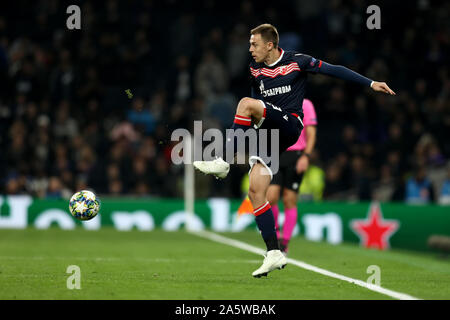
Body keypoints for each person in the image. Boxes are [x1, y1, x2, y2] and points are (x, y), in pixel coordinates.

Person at [193, 23, 395, 278]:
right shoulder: (255, 69)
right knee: (256, 191)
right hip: (269, 132)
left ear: (270, 45)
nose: (250, 49)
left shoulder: (297, 61)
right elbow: (256, 102)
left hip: (290, 124)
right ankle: (274, 252)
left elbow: (334, 70)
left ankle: (222, 160)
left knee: (244, 104)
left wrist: (370, 83)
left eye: (254, 44)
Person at [266, 98, 317, 255]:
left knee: (289, 200)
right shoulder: (274, 100)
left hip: (296, 155)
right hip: (275, 153)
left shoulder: (306, 104)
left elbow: (311, 131)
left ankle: (284, 243)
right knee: (271, 198)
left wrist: (306, 156)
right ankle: (276, 237)